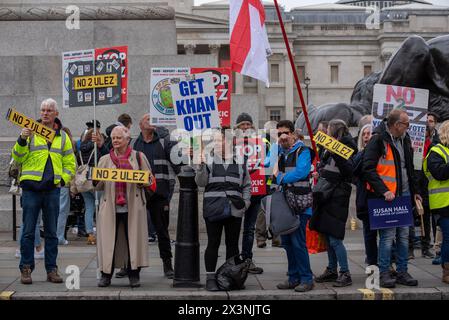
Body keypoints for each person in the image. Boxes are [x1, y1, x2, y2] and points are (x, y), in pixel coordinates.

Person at [11, 98, 76, 285]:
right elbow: (17, 157)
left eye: (49, 110)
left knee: (52, 233)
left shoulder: (62, 137)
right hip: (31, 189)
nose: (45, 113)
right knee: (28, 232)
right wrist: (22, 139)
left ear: (56, 113)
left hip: (52, 191)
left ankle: (51, 269)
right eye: (42, 110)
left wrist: (62, 180)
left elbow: (70, 163)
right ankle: (26, 268)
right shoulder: (29, 132)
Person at [363, 109, 420, 288]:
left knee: (403, 236)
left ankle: (402, 271)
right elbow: (368, 168)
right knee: (387, 237)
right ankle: (384, 272)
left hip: (403, 195)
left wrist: (415, 190)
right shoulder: (378, 139)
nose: (408, 128)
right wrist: (383, 191)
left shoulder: (405, 138)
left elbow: (409, 167)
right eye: (406, 124)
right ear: (397, 125)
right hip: (386, 197)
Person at [95, 126, 152, 288]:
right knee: (109, 243)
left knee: (133, 242)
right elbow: (98, 186)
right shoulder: (105, 159)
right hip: (110, 208)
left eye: (119, 138)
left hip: (133, 207)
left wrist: (142, 180)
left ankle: (134, 275)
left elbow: (150, 180)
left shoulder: (139, 157)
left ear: (127, 140)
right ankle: (106, 275)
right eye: (113, 138)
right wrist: (93, 180)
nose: (115, 141)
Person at [195, 128, 251, 291]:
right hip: (214, 208)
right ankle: (210, 278)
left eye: (222, 141)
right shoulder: (208, 159)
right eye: (217, 141)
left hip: (235, 209)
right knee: (213, 243)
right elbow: (201, 182)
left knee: (233, 245)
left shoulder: (241, 161)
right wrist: (201, 166)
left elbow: (246, 184)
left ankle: (229, 276)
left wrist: (246, 203)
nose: (219, 144)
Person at [126, 113, 180, 279]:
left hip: (159, 194)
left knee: (162, 231)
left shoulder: (165, 141)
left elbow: (179, 162)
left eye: (153, 119)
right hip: (138, 194)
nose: (152, 121)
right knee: (133, 232)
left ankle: (167, 264)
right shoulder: (134, 144)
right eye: (148, 119)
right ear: (141, 125)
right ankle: (129, 265)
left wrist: (186, 154)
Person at [311, 119, 357, 287]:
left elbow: (348, 171)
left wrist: (335, 151)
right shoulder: (329, 147)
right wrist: (321, 171)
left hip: (337, 195)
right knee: (327, 234)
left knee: (335, 237)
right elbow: (328, 167)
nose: (326, 133)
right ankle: (332, 269)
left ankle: (345, 272)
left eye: (328, 130)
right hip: (326, 194)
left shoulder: (347, 146)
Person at [235, 113, 264, 274]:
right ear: (236, 128)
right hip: (237, 192)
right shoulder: (231, 143)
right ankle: (233, 260)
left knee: (249, 228)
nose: (245, 127)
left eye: (248, 124)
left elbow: (265, 163)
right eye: (242, 125)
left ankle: (247, 259)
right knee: (233, 228)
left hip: (256, 191)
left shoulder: (259, 142)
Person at [423, 119, 449, 284]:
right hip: (443, 203)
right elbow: (439, 173)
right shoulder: (436, 151)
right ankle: (447, 272)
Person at [79, 120, 109, 245]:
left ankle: (90, 234)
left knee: (89, 207)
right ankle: (103, 232)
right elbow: (106, 158)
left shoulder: (81, 147)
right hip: (96, 179)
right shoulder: (97, 146)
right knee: (102, 206)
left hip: (84, 181)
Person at [353, 123, 377, 266]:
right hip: (365, 199)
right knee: (369, 235)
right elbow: (353, 172)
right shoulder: (360, 154)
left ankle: (386, 263)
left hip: (380, 198)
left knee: (387, 236)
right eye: (364, 134)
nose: (367, 136)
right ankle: (372, 263)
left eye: (370, 133)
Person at [255, 120, 281, 249]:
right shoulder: (271, 142)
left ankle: (262, 238)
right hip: (270, 179)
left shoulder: (263, 142)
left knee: (263, 210)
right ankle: (275, 237)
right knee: (271, 209)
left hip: (265, 179)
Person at [56, 127, 77, 246]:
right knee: (62, 212)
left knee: (53, 212)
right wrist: (73, 188)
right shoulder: (68, 152)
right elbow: (72, 171)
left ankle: (55, 236)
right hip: (63, 185)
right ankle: (59, 237)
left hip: (53, 184)